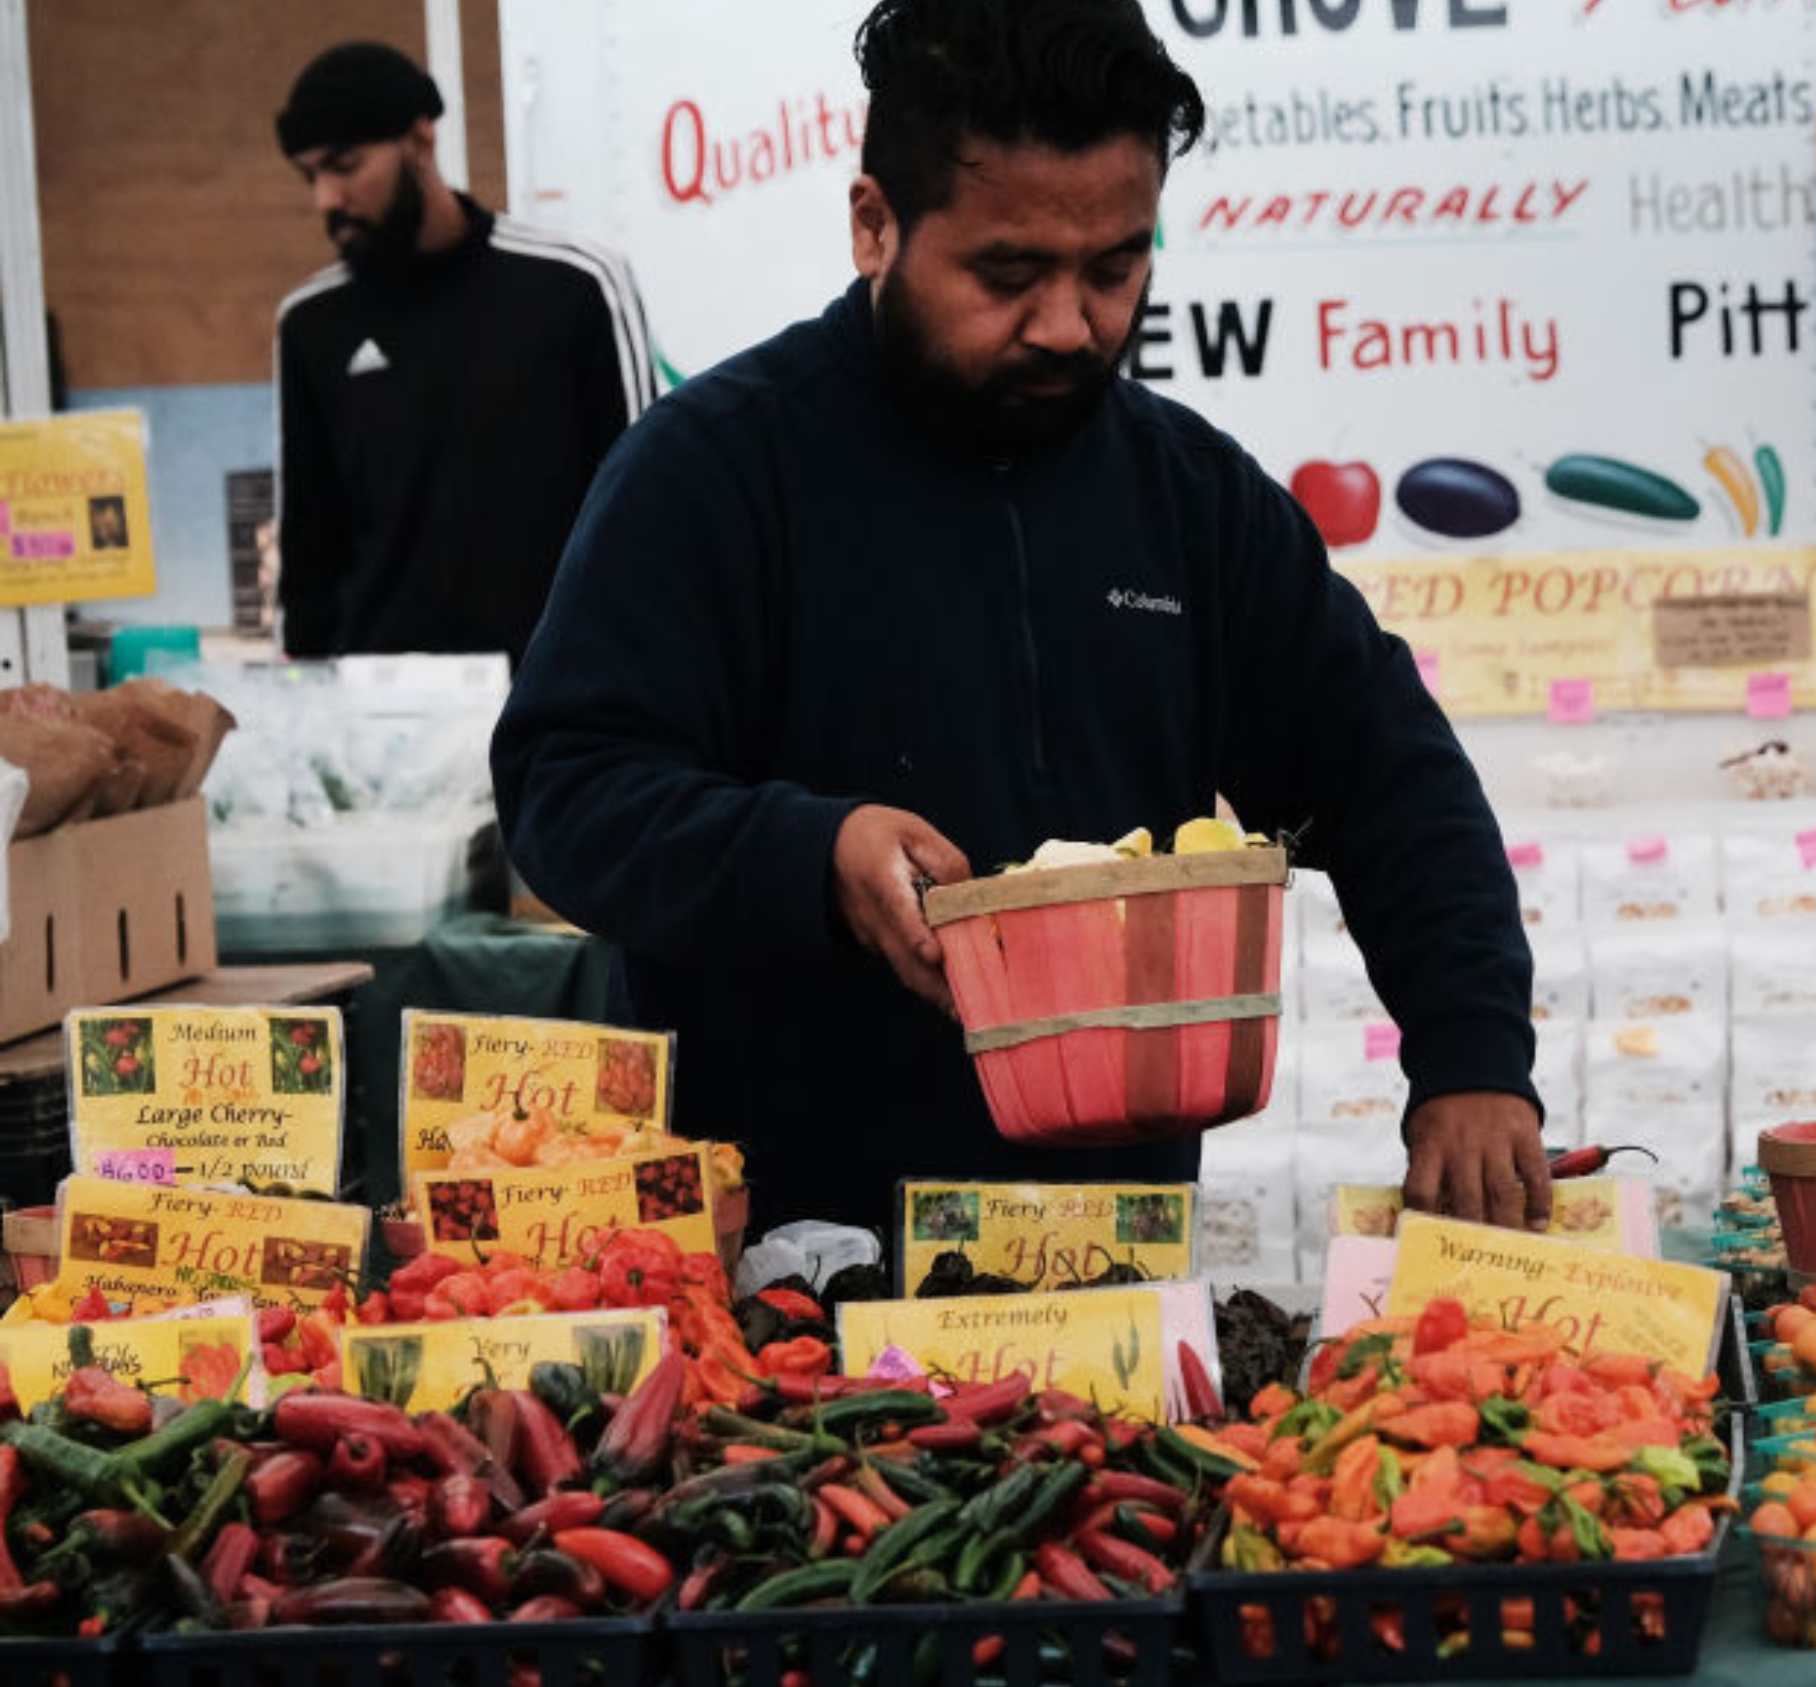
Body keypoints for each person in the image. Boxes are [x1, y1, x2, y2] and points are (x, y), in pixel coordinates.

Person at [491, 0, 1547, 1233]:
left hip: (1111, 1260)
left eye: (1116, 267)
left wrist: (1472, 1056)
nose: (1069, 324)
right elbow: (564, 791)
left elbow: (1383, 775)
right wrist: (811, 852)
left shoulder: (1191, 498)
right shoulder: (714, 471)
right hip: (777, 1267)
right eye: (1008, 274)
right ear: (874, 224)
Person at [273, 41, 656, 663]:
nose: (326, 198)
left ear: (420, 141)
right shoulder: (312, 324)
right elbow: (310, 552)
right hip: (382, 720)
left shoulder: (575, 285)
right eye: (310, 174)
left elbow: (642, 509)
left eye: (344, 165)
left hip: (557, 698)